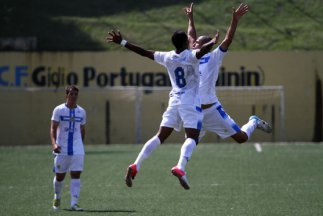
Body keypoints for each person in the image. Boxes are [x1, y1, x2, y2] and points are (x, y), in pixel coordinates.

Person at [106, 29, 219, 189]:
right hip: (189, 101)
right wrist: (212, 41)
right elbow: (203, 51)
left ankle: (136, 165)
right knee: (192, 137)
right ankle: (180, 167)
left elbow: (144, 52)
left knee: (160, 136)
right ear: (186, 42)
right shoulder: (190, 56)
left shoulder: (167, 56)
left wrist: (122, 42)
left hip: (174, 100)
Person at [184, 2, 271, 144]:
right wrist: (190, 18)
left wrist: (235, 20)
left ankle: (253, 121)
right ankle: (180, 166)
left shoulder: (213, 57)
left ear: (206, 45)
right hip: (195, 112)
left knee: (241, 138)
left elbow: (228, 39)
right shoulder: (192, 55)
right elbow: (191, 35)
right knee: (190, 143)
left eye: (198, 43)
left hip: (212, 110)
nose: (193, 44)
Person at [50, 85, 86, 211]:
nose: (74, 96)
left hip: (77, 149)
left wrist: (80, 145)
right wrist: (54, 144)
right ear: (66, 95)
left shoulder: (81, 111)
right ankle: (57, 196)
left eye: (75, 94)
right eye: (71, 94)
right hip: (62, 148)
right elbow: (53, 128)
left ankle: (74, 203)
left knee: (76, 174)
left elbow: (82, 129)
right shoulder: (58, 110)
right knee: (60, 176)